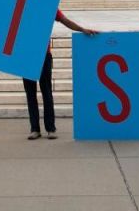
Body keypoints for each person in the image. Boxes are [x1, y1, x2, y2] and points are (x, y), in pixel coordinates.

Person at [26, 8, 98, 140]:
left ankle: (50, 128)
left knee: (46, 91)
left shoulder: (49, 4)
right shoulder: (22, 3)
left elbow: (65, 21)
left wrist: (82, 29)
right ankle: (34, 129)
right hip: (25, 55)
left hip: (43, 55)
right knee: (30, 93)